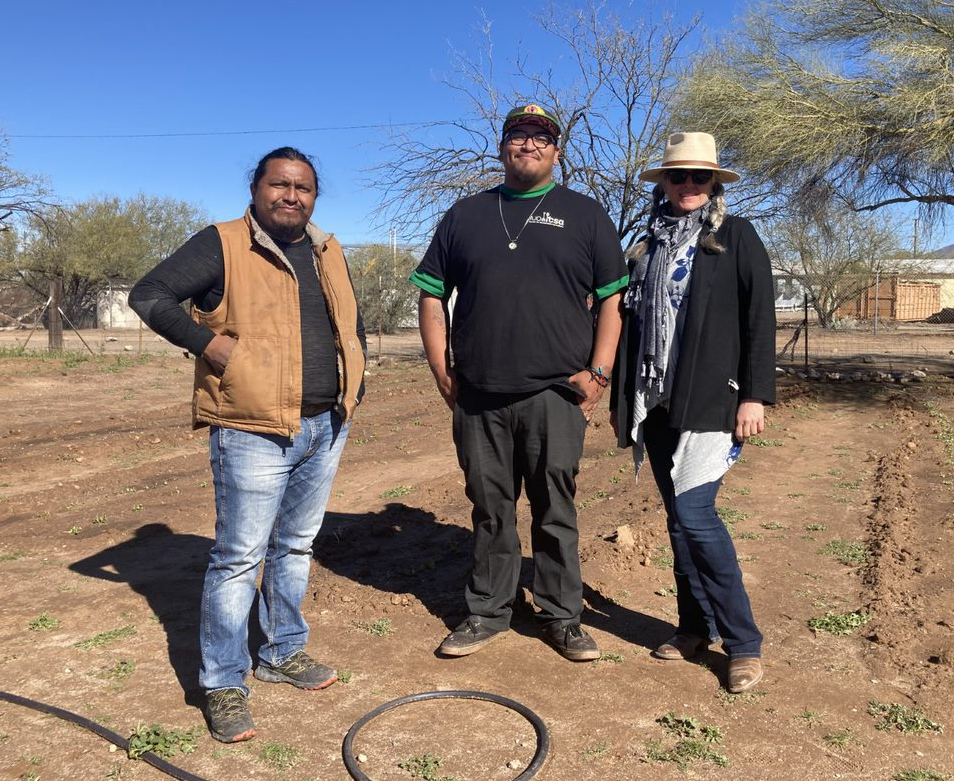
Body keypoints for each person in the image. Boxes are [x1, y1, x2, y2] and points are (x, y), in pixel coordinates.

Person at [128, 147, 365, 743]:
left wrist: (355, 375)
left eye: (303, 188)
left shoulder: (326, 249)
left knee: (295, 548)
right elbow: (150, 294)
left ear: (315, 196)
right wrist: (207, 345)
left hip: (324, 425)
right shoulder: (224, 243)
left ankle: (283, 652)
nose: (292, 196)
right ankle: (224, 682)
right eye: (279, 184)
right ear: (256, 188)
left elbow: (350, 324)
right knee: (239, 558)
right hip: (252, 429)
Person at [411, 105, 627, 661]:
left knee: (556, 508)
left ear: (557, 151)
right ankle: (487, 611)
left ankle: (562, 616)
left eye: (541, 137)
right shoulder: (466, 215)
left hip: (556, 395)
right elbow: (431, 295)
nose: (528, 144)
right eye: (517, 135)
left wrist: (599, 373)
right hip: (480, 396)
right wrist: (443, 372)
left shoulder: (586, 215)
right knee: (490, 507)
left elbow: (612, 301)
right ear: (502, 147)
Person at [610, 132, 775, 693]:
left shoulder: (734, 236)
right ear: (664, 183)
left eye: (698, 177)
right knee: (679, 522)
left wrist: (754, 394)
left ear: (713, 184)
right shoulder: (649, 242)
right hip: (656, 399)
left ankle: (743, 643)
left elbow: (759, 319)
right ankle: (692, 628)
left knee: (698, 516)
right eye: (676, 176)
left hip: (711, 399)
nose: (686, 186)